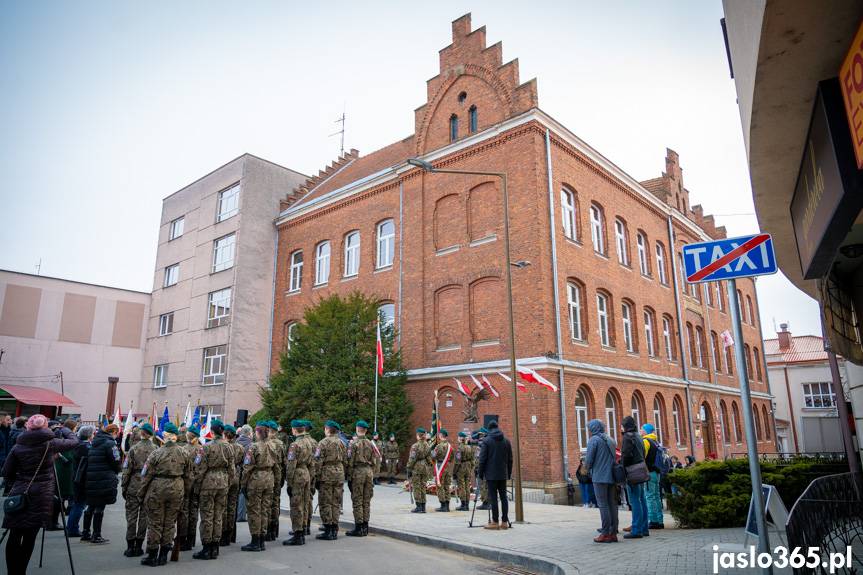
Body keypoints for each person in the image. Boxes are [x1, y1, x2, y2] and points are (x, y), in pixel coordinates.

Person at [2, 414, 79, 575]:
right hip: (42, 495)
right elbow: (74, 441)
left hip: (20, 492)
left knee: (15, 533)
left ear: (28, 426)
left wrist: (15, 484)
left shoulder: (19, 444)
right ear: (45, 427)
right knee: (30, 536)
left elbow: (6, 471)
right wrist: (65, 429)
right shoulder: (51, 443)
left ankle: (12, 572)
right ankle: (20, 571)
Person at [139, 422, 191, 566]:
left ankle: (152, 554)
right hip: (177, 487)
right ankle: (163, 555)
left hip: (158, 488)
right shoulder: (184, 452)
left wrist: (141, 493)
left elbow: (146, 475)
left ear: (165, 435)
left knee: (155, 522)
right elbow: (189, 476)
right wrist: (185, 492)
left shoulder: (156, 452)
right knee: (170, 522)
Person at [193, 419, 235, 560]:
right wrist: (228, 483)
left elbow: (200, 469)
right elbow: (232, 469)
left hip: (209, 483)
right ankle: (215, 547)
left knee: (207, 516)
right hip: (223, 482)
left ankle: (207, 547)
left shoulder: (206, 447)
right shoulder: (229, 446)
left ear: (211, 431)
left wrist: (197, 487)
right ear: (222, 432)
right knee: (218, 515)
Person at [121, 422, 156, 557]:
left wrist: (124, 486)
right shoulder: (155, 449)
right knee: (144, 517)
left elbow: (126, 470)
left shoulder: (133, 449)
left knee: (132, 516)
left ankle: (130, 547)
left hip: (134, 484)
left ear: (142, 433)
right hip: (148, 485)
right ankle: (139, 546)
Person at [82, 423, 122, 544]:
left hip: (92, 476)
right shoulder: (110, 443)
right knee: (100, 507)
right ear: (114, 432)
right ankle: (96, 534)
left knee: (91, 506)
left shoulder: (94, 442)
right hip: (104, 477)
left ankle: (85, 532)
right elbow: (116, 461)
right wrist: (117, 470)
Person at [241, 421, 275, 552]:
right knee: (264, 509)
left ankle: (255, 540)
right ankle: (262, 539)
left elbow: (247, 467)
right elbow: (277, 466)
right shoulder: (273, 446)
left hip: (256, 479)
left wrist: (243, 484)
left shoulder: (253, 447)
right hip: (269, 478)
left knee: (254, 510)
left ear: (258, 433)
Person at [584, 419, 618, 543]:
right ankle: (613, 532)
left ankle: (605, 533)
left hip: (599, 477)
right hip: (612, 476)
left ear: (594, 428)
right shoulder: (610, 439)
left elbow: (589, 460)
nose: (588, 431)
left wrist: (585, 469)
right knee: (612, 504)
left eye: (589, 429)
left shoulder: (594, 440)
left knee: (603, 505)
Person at [477, 420, 513, 530]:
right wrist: (508, 473)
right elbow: (510, 459)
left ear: (489, 429)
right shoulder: (506, 441)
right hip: (502, 474)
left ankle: (495, 522)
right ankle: (505, 522)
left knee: (493, 498)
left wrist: (480, 473)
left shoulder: (486, 441)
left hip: (491, 475)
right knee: (503, 498)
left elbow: (482, 459)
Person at [314, 420, 346, 540]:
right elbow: (346, 460)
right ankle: (334, 528)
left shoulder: (323, 442)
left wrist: (316, 477)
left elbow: (318, 462)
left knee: (326, 502)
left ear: (327, 429)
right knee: (336, 502)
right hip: (339, 473)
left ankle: (328, 530)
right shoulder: (342, 443)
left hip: (327, 474)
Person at [283, 419, 313, 546]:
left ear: (294, 429)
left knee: (296, 505)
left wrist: (289, 482)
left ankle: (297, 534)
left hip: (298, 474)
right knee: (305, 503)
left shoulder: (295, 445)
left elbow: (291, 465)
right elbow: (312, 461)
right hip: (306, 472)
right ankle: (302, 530)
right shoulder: (308, 442)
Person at [345, 420, 376, 536]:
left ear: (357, 429)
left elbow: (350, 462)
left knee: (357, 500)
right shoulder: (370, 443)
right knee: (366, 500)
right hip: (368, 472)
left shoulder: (353, 444)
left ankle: (359, 528)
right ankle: (365, 527)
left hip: (358, 472)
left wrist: (349, 477)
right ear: (366, 430)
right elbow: (374, 461)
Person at [620, 416, 649, 539]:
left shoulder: (628, 437)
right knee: (642, 499)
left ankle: (636, 529)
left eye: (622, 425)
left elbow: (626, 455)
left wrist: (622, 467)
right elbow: (642, 452)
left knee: (635, 500)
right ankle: (644, 528)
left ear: (626, 426)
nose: (621, 427)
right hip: (641, 469)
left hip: (632, 472)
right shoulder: (638, 436)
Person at [66, 425, 94, 536]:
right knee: (79, 505)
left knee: (78, 504)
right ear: (89, 435)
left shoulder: (79, 445)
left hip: (77, 478)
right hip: (81, 479)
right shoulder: (86, 447)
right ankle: (72, 529)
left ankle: (71, 527)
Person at [51, 419, 78, 531]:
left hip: (62, 471)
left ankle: (53, 521)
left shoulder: (60, 439)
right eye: (75, 427)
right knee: (59, 498)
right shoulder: (66, 442)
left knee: (59, 497)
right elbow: (70, 457)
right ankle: (52, 522)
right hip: (63, 472)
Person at [178, 425, 201, 550]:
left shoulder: (183, 449)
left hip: (186, 482)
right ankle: (191, 539)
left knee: (184, 511)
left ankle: (182, 538)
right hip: (197, 482)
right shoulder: (202, 449)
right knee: (194, 510)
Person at [221, 424, 244, 545]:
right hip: (236, 476)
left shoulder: (223, 447)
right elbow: (241, 462)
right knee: (232, 506)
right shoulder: (240, 447)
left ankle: (223, 535)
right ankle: (231, 535)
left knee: (223, 506)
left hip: (225, 476)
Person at [266, 420, 286, 541]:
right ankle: (275, 529)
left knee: (267, 503)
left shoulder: (267, 443)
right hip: (278, 475)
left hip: (269, 475)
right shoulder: (281, 444)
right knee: (276, 503)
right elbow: (284, 462)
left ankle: (268, 530)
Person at [641, 423, 664, 530]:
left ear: (646, 431)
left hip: (649, 472)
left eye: (642, 429)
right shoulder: (656, 441)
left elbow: (642, 457)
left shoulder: (646, 441)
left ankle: (653, 521)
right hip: (657, 472)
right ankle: (660, 520)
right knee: (657, 496)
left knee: (649, 496)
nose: (641, 431)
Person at [406, 427, 432, 513]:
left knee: (417, 487)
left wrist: (409, 468)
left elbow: (412, 459)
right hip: (425, 467)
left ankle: (419, 506)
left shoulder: (415, 446)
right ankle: (423, 506)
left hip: (417, 467)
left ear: (418, 435)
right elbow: (429, 459)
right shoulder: (427, 445)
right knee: (423, 487)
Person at [432, 428, 454, 512]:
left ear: (441, 435)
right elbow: (452, 458)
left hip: (440, 467)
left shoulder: (438, 446)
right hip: (447, 467)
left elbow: (433, 457)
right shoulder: (450, 447)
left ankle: (443, 505)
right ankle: (447, 505)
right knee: (446, 486)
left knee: (440, 486)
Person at [235, 424, 253, 523]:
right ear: (249, 433)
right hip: (245, 470)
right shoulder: (251, 445)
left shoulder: (235, 442)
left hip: (235, 471)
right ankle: (241, 515)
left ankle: (235, 513)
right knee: (243, 492)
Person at [303, 420, 317, 536]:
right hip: (311, 473)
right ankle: (307, 525)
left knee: (299, 501)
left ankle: (301, 526)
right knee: (309, 499)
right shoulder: (314, 442)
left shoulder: (301, 442)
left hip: (301, 473)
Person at [453, 431, 474, 511]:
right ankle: (467, 504)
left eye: (458, 437)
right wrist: (470, 467)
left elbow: (457, 462)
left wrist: (454, 472)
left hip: (461, 467)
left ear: (460, 438)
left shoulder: (460, 448)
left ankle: (463, 505)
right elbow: (473, 460)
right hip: (468, 467)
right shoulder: (469, 447)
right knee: (467, 486)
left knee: (461, 486)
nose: (458, 439)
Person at [474, 428, 490, 510]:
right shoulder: (481, 445)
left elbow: (482, 459)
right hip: (480, 468)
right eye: (479, 436)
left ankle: (486, 503)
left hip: (484, 469)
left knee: (484, 486)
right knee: (483, 486)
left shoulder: (485, 445)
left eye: (482, 435)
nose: (480, 437)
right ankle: (485, 501)